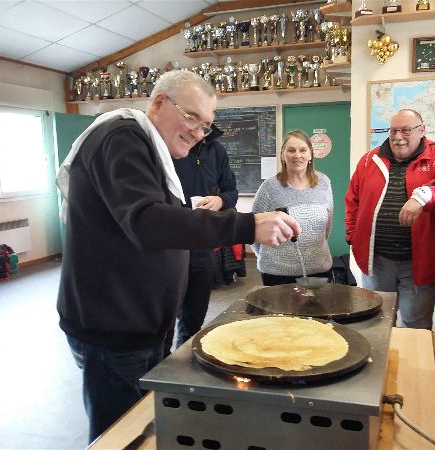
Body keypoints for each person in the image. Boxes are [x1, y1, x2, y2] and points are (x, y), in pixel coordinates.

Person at [55, 70, 300, 443]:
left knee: (147, 427)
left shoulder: (153, 150)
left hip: (143, 325)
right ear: (158, 103)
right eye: (191, 117)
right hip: (113, 330)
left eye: (205, 126)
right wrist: (246, 226)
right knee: (122, 436)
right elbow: (147, 222)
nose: (197, 132)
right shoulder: (121, 138)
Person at [345, 109, 435, 329]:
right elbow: (352, 201)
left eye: (406, 130)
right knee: (376, 322)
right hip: (377, 262)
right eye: (393, 131)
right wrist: (353, 238)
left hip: (418, 264)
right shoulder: (369, 160)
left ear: (421, 130)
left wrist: (423, 196)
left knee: (415, 324)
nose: (398, 137)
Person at [164, 124, 238, 356]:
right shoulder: (165, 149)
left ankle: (182, 368)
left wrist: (220, 200)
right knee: (164, 321)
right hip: (169, 245)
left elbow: (231, 191)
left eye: (205, 124)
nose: (198, 132)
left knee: (194, 318)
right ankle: (161, 373)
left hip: (203, 244)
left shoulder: (217, 151)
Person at [251, 129, 333, 286]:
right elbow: (253, 229)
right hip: (276, 274)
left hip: (318, 270)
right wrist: (266, 257)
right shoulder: (269, 188)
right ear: (283, 155)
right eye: (291, 150)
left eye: (303, 150)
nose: (297, 155)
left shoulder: (324, 183)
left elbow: (326, 226)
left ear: (310, 155)